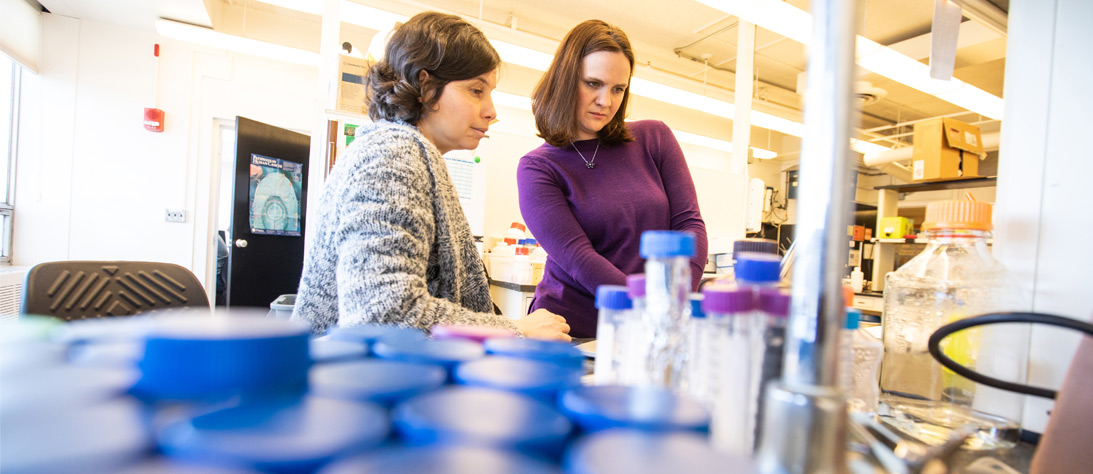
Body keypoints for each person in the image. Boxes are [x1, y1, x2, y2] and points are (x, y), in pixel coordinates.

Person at [293, 12, 570, 341]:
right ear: (425, 86)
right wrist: (516, 331)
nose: (491, 111)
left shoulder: (410, 153)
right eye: (476, 90)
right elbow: (383, 315)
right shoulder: (393, 155)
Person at [517, 20, 708, 338]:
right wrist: (652, 305)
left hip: (652, 323)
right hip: (572, 332)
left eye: (618, 89)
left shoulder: (653, 137)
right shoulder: (538, 168)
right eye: (593, 83)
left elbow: (690, 224)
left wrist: (678, 295)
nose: (606, 101)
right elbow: (580, 259)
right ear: (565, 81)